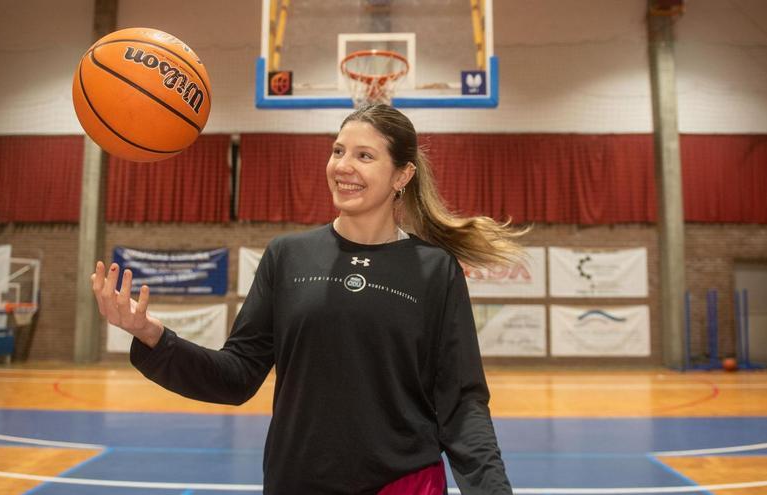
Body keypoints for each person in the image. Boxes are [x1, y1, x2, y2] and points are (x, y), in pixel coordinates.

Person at [92, 103, 523, 494]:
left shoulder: (434, 269)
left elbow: (462, 401)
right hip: (297, 480)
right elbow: (237, 376)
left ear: (402, 176)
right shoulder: (288, 256)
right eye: (338, 151)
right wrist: (151, 335)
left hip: (404, 483)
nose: (343, 166)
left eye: (364, 156)